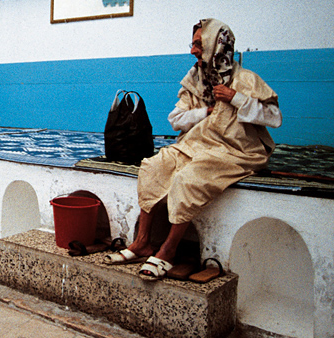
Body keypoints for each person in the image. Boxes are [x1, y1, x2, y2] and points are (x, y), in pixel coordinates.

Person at [104, 18, 282, 280]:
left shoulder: (245, 80)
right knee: (154, 166)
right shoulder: (196, 79)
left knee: (188, 178)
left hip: (236, 151)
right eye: (193, 43)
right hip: (196, 144)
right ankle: (142, 242)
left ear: (216, 45)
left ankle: (168, 249)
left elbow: (274, 117)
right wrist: (205, 111)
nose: (192, 50)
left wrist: (237, 99)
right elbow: (175, 120)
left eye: (199, 44)